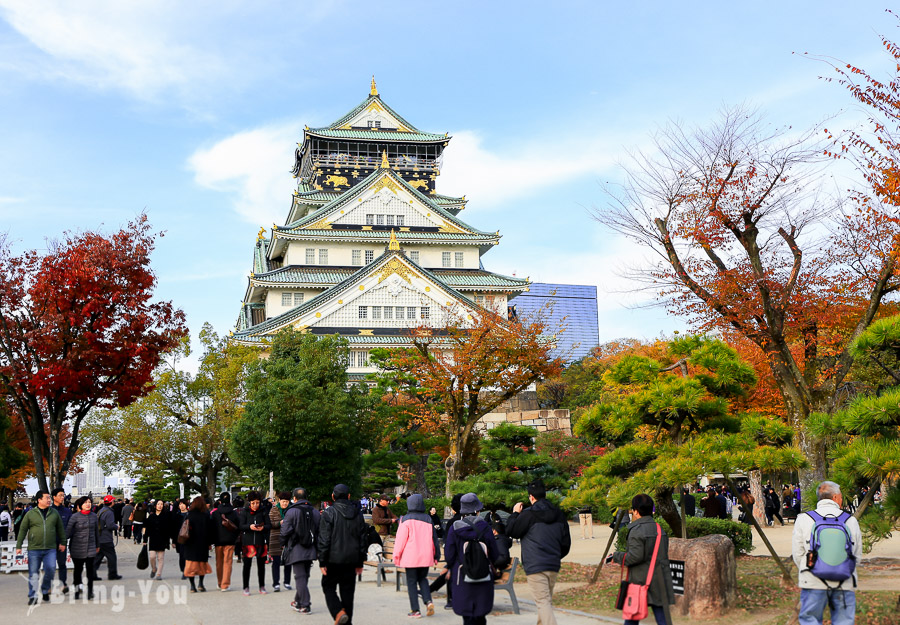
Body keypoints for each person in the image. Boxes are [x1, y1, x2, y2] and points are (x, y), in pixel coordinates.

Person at [791, 481, 861, 625]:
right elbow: (856, 555)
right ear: (835, 498)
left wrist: (809, 569)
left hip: (813, 580)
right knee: (844, 621)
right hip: (844, 581)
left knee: (810, 619)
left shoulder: (804, 519)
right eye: (841, 497)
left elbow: (798, 554)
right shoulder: (850, 520)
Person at [507, 480, 572, 625]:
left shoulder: (528, 515)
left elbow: (511, 531)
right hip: (553, 564)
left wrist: (515, 514)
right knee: (545, 602)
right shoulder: (558, 514)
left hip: (535, 564)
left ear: (531, 497)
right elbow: (566, 543)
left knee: (543, 603)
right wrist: (555, 555)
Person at [611, 494, 675, 625]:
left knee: (632, 615)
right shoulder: (659, 528)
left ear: (635, 511)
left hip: (640, 581)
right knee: (662, 617)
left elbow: (634, 556)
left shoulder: (636, 530)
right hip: (659, 580)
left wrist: (616, 556)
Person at [444, 493, 499, 625]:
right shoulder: (485, 527)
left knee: (467, 616)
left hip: (462, 575)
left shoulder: (454, 528)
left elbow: (449, 555)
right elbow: (495, 554)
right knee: (481, 614)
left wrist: (451, 566)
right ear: (477, 511)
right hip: (483, 574)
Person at [317, 483, 367, 625]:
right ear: (349, 496)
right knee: (348, 594)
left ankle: (338, 612)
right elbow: (362, 539)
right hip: (352, 559)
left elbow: (324, 539)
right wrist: (360, 561)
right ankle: (346, 621)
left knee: (328, 586)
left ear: (333, 496)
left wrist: (322, 560)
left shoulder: (329, 513)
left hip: (333, 559)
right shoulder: (358, 514)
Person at [15, 490, 66, 605]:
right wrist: (19, 545)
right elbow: (23, 530)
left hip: (50, 548)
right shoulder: (30, 513)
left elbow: (60, 529)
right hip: (34, 549)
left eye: (49, 498)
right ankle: (32, 596)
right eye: (47, 498)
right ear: (39, 500)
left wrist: (63, 542)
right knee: (33, 573)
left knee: (51, 569)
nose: (49, 500)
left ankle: (45, 590)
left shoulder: (54, 513)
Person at [394, 493, 440, 618]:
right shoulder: (428, 519)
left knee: (412, 582)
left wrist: (397, 556)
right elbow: (434, 539)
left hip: (411, 557)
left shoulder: (405, 519)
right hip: (426, 556)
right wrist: (436, 556)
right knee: (423, 579)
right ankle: (428, 601)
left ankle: (415, 610)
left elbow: (400, 540)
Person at [281, 486, 321, 615]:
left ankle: (305, 605)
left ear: (294, 498)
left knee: (300, 577)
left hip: (296, 548)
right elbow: (319, 531)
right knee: (304, 576)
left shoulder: (291, 512)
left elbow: (285, 531)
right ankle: (298, 600)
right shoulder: (315, 512)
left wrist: (283, 543)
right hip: (311, 548)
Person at [66, 496, 100, 600]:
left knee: (90, 570)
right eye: (85, 503)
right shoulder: (75, 517)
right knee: (78, 570)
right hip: (77, 546)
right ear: (80, 505)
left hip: (91, 546)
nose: (88, 504)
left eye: (89, 502)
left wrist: (98, 545)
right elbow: (68, 532)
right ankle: (77, 590)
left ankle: (90, 591)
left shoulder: (94, 516)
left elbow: (96, 532)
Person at [238, 490, 271, 595]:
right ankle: (246, 587)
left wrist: (263, 528)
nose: (255, 505)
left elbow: (269, 525)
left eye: (257, 503)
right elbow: (241, 526)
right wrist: (249, 526)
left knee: (261, 566)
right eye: (253, 503)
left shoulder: (264, 511)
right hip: (248, 542)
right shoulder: (245, 511)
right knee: (247, 566)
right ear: (249, 502)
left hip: (261, 542)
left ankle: (262, 586)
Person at [211, 491, 241, 591]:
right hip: (230, 541)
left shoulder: (215, 513)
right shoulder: (234, 513)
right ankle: (225, 584)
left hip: (218, 541)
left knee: (219, 563)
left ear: (220, 501)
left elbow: (212, 527)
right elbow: (238, 527)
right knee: (227, 562)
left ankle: (219, 583)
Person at [183, 496, 213, 593]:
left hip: (190, 544)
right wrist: (209, 543)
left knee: (191, 566)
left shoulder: (189, 515)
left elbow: (184, 528)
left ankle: (192, 586)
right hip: (202, 544)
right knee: (201, 565)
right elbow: (209, 530)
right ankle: (201, 584)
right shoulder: (206, 515)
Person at [91, 495, 121, 581]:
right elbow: (110, 525)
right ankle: (112, 574)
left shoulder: (101, 510)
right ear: (111, 502)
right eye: (113, 501)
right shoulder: (109, 512)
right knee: (112, 557)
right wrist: (116, 527)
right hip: (106, 538)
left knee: (98, 557)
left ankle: (92, 574)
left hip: (99, 537)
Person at [144, 499, 173, 580]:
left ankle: (159, 574)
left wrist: (172, 539)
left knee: (160, 558)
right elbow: (147, 528)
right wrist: (144, 540)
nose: (160, 505)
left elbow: (169, 528)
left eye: (161, 504)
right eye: (158, 504)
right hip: (153, 539)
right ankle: (154, 569)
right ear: (155, 505)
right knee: (152, 557)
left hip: (162, 539)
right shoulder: (151, 516)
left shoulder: (166, 515)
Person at [51, 487, 72, 594]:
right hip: (49, 543)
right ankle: (48, 585)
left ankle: (63, 584)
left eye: (63, 495)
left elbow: (70, 527)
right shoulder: (48, 511)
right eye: (60, 495)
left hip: (62, 543)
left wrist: (63, 541)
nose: (62, 497)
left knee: (62, 564)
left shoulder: (67, 511)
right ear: (54, 497)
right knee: (49, 565)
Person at [268, 491, 290, 592]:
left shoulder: (291, 509)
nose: (285, 503)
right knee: (276, 561)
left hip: (289, 538)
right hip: (275, 538)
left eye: (287, 501)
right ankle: (276, 583)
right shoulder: (273, 510)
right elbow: (270, 524)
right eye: (283, 501)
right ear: (279, 500)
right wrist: (279, 523)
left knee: (288, 561)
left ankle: (287, 582)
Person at [173, 498, 189, 578]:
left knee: (188, 555)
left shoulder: (190, 515)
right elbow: (174, 529)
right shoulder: (176, 515)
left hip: (189, 538)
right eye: (180, 504)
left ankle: (187, 570)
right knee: (182, 555)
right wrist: (173, 541)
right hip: (180, 538)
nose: (181, 506)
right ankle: (183, 570)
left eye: (183, 504)